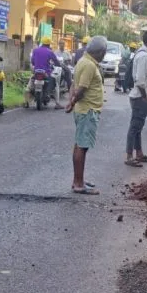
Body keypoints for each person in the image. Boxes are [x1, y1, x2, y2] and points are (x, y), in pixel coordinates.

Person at [65, 36, 107, 195]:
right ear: (101, 52)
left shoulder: (82, 61)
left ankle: (79, 179)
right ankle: (78, 183)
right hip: (87, 110)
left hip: (84, 110)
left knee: (80, 145)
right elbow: (81, 89)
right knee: (82, 146)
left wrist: (71, 101)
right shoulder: (89, 65)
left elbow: (73, 85)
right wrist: (73, 102)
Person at [125, 30, 147, 167]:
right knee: (134, 127)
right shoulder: (144, 56)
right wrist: (145, 97)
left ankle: (139, 154)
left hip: (139, 96)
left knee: (138, 127)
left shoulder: (142, 54)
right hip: (140, 97)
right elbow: (140, 80)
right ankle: (129, 156)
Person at [25, 36, 59, 107]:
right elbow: (56, 61)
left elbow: (32, 62)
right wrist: (58, 65)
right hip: (46, 73)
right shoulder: (50, 52)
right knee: (56, 85)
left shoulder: (35, 50)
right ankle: (57, 103)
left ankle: (26, 101)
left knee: (29, 85)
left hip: (36, 72)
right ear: (48, 44)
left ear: (42, 43)